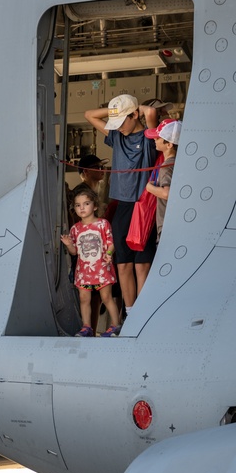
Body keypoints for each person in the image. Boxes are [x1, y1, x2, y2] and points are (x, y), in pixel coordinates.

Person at [84, 95, 158, 316]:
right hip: (123, 206)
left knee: (142, 264)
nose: (119, 128)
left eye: (122, 122)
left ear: (135, 115)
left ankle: (143, 313)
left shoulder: (148, 137)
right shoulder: (116, 136)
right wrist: (115, 113)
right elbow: (89, 115)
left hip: (144, 207)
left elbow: (151, 114)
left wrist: (138, 108)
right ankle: (131, 311)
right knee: (123, 263)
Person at [61, 187, 122, 338]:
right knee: (84, 298)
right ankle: (86, 327)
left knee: (106, 297)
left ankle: (115, 325)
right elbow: (75, 252)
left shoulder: (103, 224)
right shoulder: (75, 228)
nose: (81, 208)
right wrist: (69, 244)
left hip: (101, 269)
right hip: (84, 271)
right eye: (77, 205)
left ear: (95, 206)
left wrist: (108, 254)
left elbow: (111, 243)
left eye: (86, 204)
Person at [144, 120, 182, 244]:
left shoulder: (166, 166)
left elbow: (167, 193)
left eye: (158, 137)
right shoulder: (180, 163)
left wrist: (149, 187)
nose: (155, 139)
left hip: (166, 229)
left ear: (169, 144)